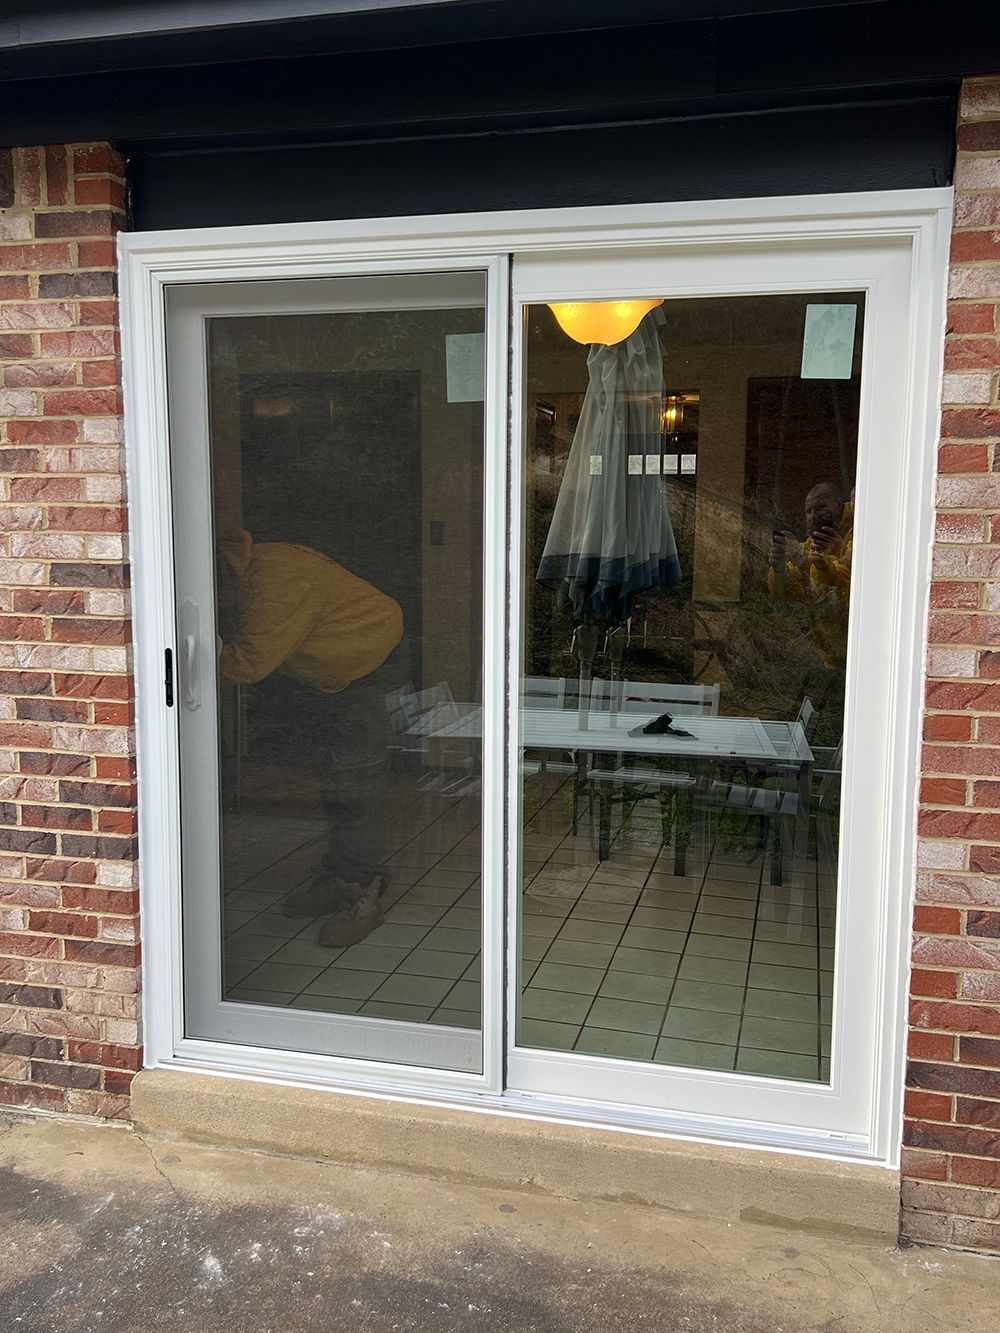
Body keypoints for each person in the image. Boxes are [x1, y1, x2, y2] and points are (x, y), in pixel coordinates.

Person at [217, 528, 404, 948]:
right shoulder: (253, 565)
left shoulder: (277, 584)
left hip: (367, 666)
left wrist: (179, 660)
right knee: (334, 780)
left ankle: (362, 889)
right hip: (330, 673)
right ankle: (340, 877)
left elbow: (247, 664)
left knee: (356, 784)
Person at [768, 481, 853, 671]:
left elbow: (846, 585)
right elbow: (786, 594)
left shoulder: (858, 535)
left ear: (839, 508)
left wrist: (804, 559)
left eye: (821, 509)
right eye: (808, 511)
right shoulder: (809, 546)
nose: (814, 517)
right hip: (831, 657)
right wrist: (779, 569)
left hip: (861, 650)